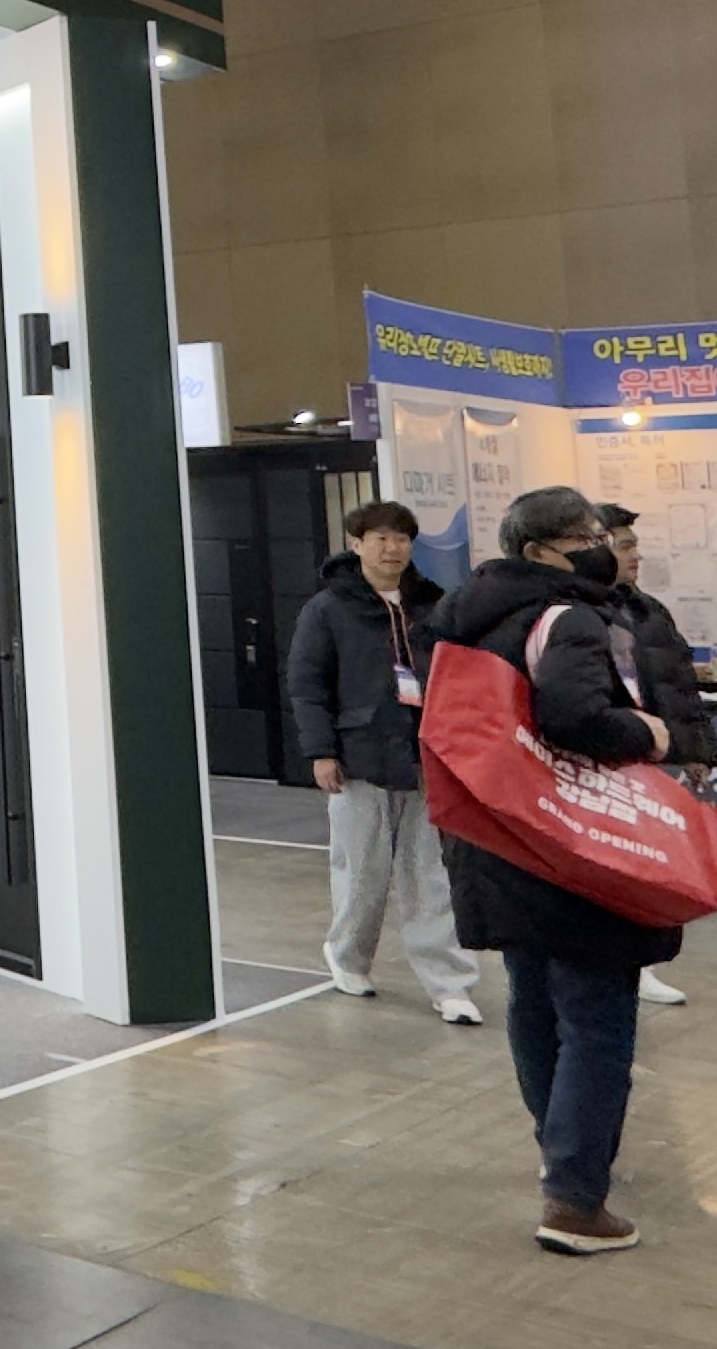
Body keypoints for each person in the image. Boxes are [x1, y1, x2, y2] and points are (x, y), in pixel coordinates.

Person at [434, 485, 682, 1257]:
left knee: (535, 1001)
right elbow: (575, 718)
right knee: (597, 1017)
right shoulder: (567, 617)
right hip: (571, 843)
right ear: (540, 551)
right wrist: (646, 732)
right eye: (584, 536)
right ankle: (575, 1200)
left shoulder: (468, 617)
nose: (600, 547)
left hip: (499, 834)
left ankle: (561, 1149)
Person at [283, 500, 478, 1023]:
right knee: (362, 872)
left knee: (431, 876)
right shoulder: (328, 609)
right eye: (381, 538)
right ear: (357, 544)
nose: (393, 549)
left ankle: (450, 983)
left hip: (426, 759)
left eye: (402, 539)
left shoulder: (432, 605)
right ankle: (347, 955)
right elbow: (307, 686)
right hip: (359, 758)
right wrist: (321, 752)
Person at [595, 505, 717, 1007]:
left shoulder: (647, 611)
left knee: (645, 866)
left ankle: (639, 964)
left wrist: (697, 749)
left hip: (652, 756)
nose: (636, 555)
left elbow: (678, 685)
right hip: (602, 757)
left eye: (635, 545)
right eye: (625, 545)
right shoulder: (576, 610)